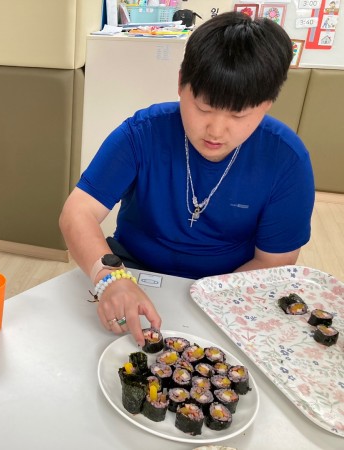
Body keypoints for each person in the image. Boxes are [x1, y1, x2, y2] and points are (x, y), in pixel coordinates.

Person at [59, 12, 315, 346]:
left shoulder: (286, 160)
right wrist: (109, 278)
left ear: (266, 104)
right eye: (204, 107)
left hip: (227, 289)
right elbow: (77, 212)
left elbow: (273, 262)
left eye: (238, 115)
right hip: (132, 271)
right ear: (181, 83)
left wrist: (206, 301)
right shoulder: (142, 133)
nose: (216, 130)